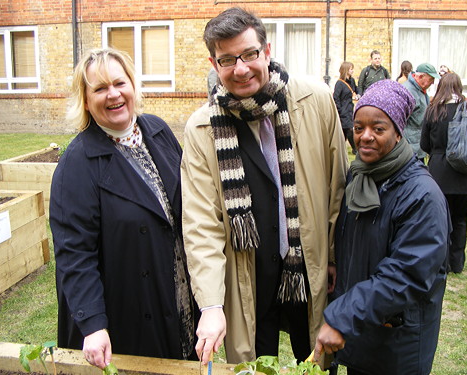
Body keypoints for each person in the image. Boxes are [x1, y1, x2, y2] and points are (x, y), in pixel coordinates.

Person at [181, 6, 348, 369]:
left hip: (308, 265)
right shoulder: (202, 129)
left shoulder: (315, 100)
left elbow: (338, 187)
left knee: (319, 360)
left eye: (249, 54)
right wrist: (211, 305)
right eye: (227, 60)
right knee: (254, 365)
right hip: (249, 276)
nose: (240, 69)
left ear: (267, 51)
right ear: (214, 64)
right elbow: (200, 225)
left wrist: (333, 256)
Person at [50, 48, 197, 369]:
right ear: (86, 100)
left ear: (133, 85)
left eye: (120, 83)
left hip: (178, 294)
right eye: (100, 88)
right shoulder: (77, 163)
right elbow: (75, 255)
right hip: (130, 309)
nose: (113, 94)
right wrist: (92, 324)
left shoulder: (158, 131)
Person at [314, 79, 450, 375]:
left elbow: (406, 274)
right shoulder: (360, 177)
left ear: (399, 132)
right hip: (363, 332)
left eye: (378, 128)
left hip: (396, 343)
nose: (365, 137)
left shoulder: (421, 195)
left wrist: (342, 316)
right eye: (359, 127)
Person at [421, 72, 467, 274]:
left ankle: (443, 262)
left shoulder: (433, 111)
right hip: (465, 173)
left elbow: (424, 144)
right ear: (459, 87)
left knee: (440, 221)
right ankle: (457, 263)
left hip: (440, 173)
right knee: (460, 219)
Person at [402, 63, 440, 162]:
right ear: (420, 76)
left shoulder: (420, 89)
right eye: (431, 79)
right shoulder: (408, 91)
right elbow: (400, 120)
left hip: (417, 146)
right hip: (410, 149)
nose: (432, 83)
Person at [333, 61, 359, 154]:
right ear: (346, 70)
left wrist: (358, 95)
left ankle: (339, 149)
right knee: (349, 129)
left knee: (344, 132)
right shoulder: (339, 84)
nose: (352, 71)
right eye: (351, 69)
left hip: (350, 109)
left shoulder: (351, 81)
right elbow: (336, 98)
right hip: (343, 111)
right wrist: (339, 110)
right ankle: (355, 149)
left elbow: (356, 89)